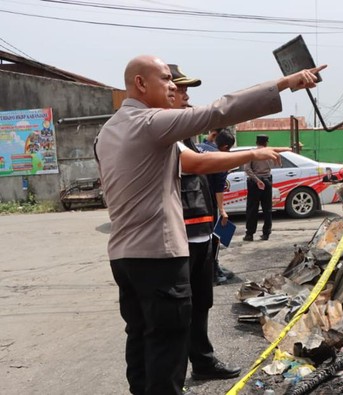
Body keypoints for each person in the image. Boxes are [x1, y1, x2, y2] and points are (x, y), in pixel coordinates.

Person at [95, 55, 324, 395]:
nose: (173, 86)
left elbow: (196, 162)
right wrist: (284, 83)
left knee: (141, 337)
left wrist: (250, 155)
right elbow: (219, 110)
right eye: (165, 79)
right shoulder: (152, 123)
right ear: (141, 84)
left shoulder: (109, 130)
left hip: (125, 257)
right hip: (159, 256)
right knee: (167, 347)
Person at [169, 64, 239, 383]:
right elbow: (196, 165)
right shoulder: (164, 134)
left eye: (187, 92)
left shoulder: (188, 134)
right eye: (180, 90)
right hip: (176, 240)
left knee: (201, 304)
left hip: (201, 235)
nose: (186, 97)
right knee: (176, 312)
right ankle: (172, 377)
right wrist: (250, 155)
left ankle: (203, 361)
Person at [197, 128, 237, 285]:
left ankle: (215, 268)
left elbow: (208, 140)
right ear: (226, 147)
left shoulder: (200, 147)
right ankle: (213, 274)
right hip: (208, 203)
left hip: (192, 201)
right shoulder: (219, 158)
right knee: (213, 239)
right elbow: (219, 188)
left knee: (202, 240)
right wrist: (222, 210)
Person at [243, 134, 274, 241]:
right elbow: (272, 166)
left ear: (256, 142)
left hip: (254, 183)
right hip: (267, 181)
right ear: (266, 143)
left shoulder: (252, 153)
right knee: (267, 209)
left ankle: (249, 234)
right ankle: (266, 233)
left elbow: (247, 169)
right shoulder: (270, 153)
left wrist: (257, 180)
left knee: (252, 209)